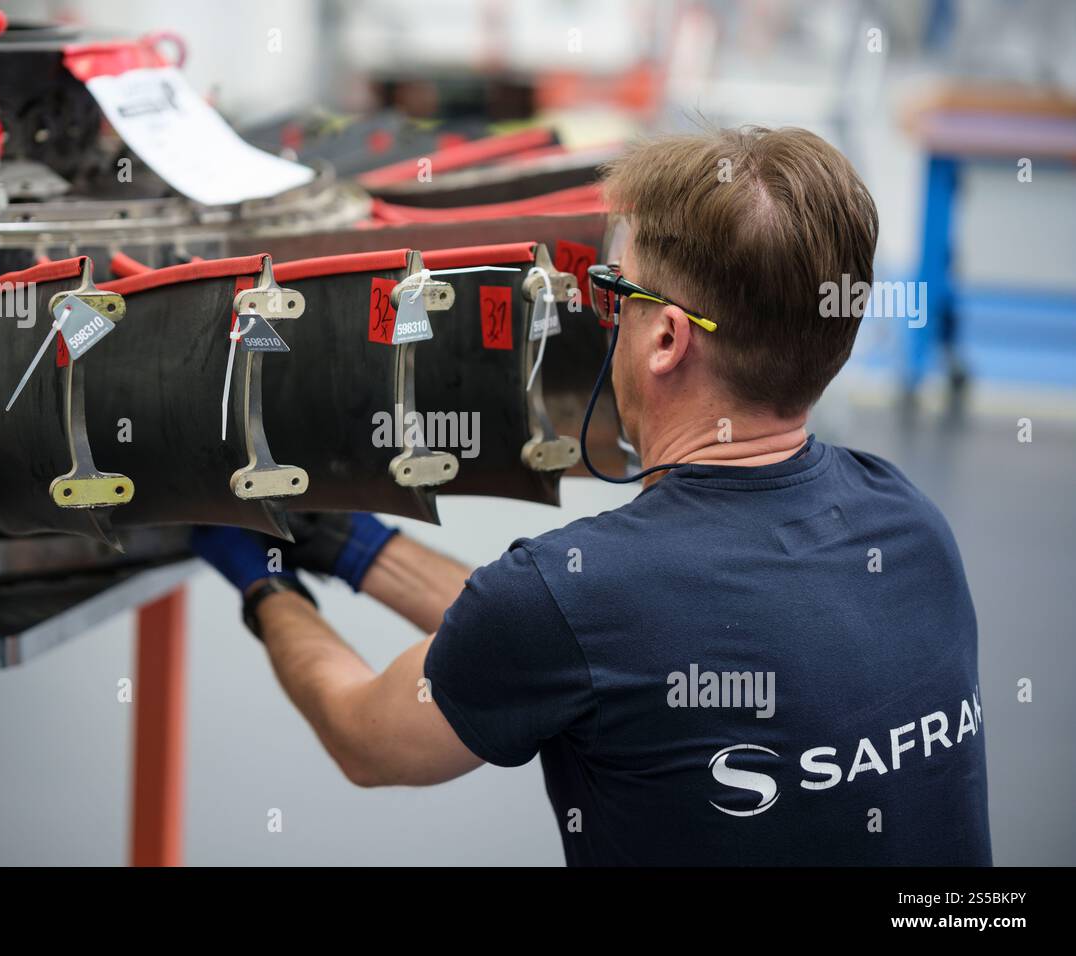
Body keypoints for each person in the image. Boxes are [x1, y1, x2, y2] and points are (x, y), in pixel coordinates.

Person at [193, 126, 992, 866]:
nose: (603, 313)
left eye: (617, 291)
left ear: (668, 339)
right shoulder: (911, 528)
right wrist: (355, 549)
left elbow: (367, 736)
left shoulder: (579, 597)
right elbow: (590, 652)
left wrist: (264, 583)